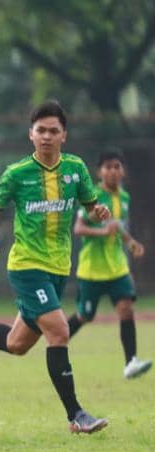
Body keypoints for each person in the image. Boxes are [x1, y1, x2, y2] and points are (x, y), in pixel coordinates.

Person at [0, 100, 112, 434]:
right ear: (30, 134)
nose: (46, 136)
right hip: (27, 266)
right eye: (40, 130)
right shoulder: (17, 173)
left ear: (63, 136)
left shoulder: (76, 169)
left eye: (52, 131)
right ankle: (76, 415)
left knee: (17, 344)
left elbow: (91, 203)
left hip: (58, 268)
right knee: (59, 330)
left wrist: (99, 211)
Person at [65, 149, 151, 379]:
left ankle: (130, 362)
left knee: (126, 309)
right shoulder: (91, 196)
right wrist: (103, 232)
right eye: (108, 167)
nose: (112, 171)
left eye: (117, 166)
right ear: (99, 172)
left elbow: (117, 225)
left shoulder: (124, 197)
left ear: (123, 171)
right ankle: (56, 346)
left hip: (117, 268)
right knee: (85, 315)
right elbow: (79, 228)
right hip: (92, 270)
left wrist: (130, 243)